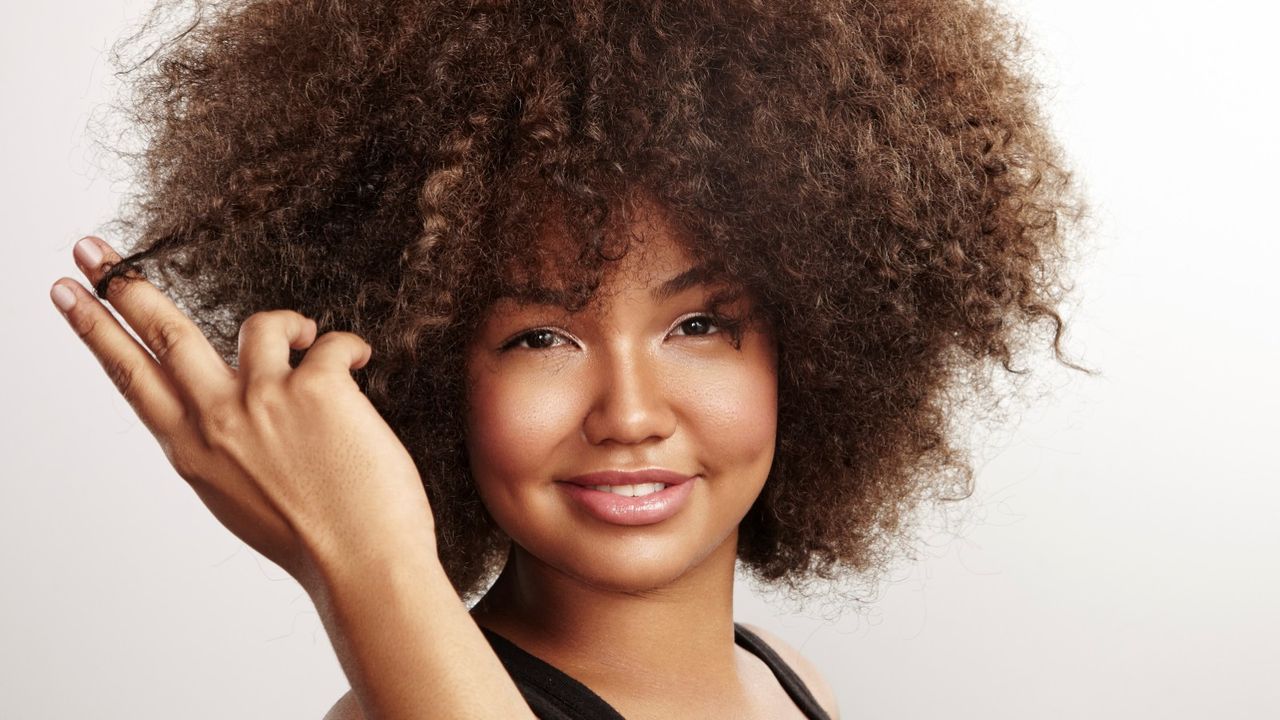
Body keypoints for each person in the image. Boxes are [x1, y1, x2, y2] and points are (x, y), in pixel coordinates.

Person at [48, 1, 1083, 717]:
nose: (628, 413)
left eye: (699, 326)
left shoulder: (779, 682)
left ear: (817, 348)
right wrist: (358, 557)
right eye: (540, 338)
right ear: (427, 374)